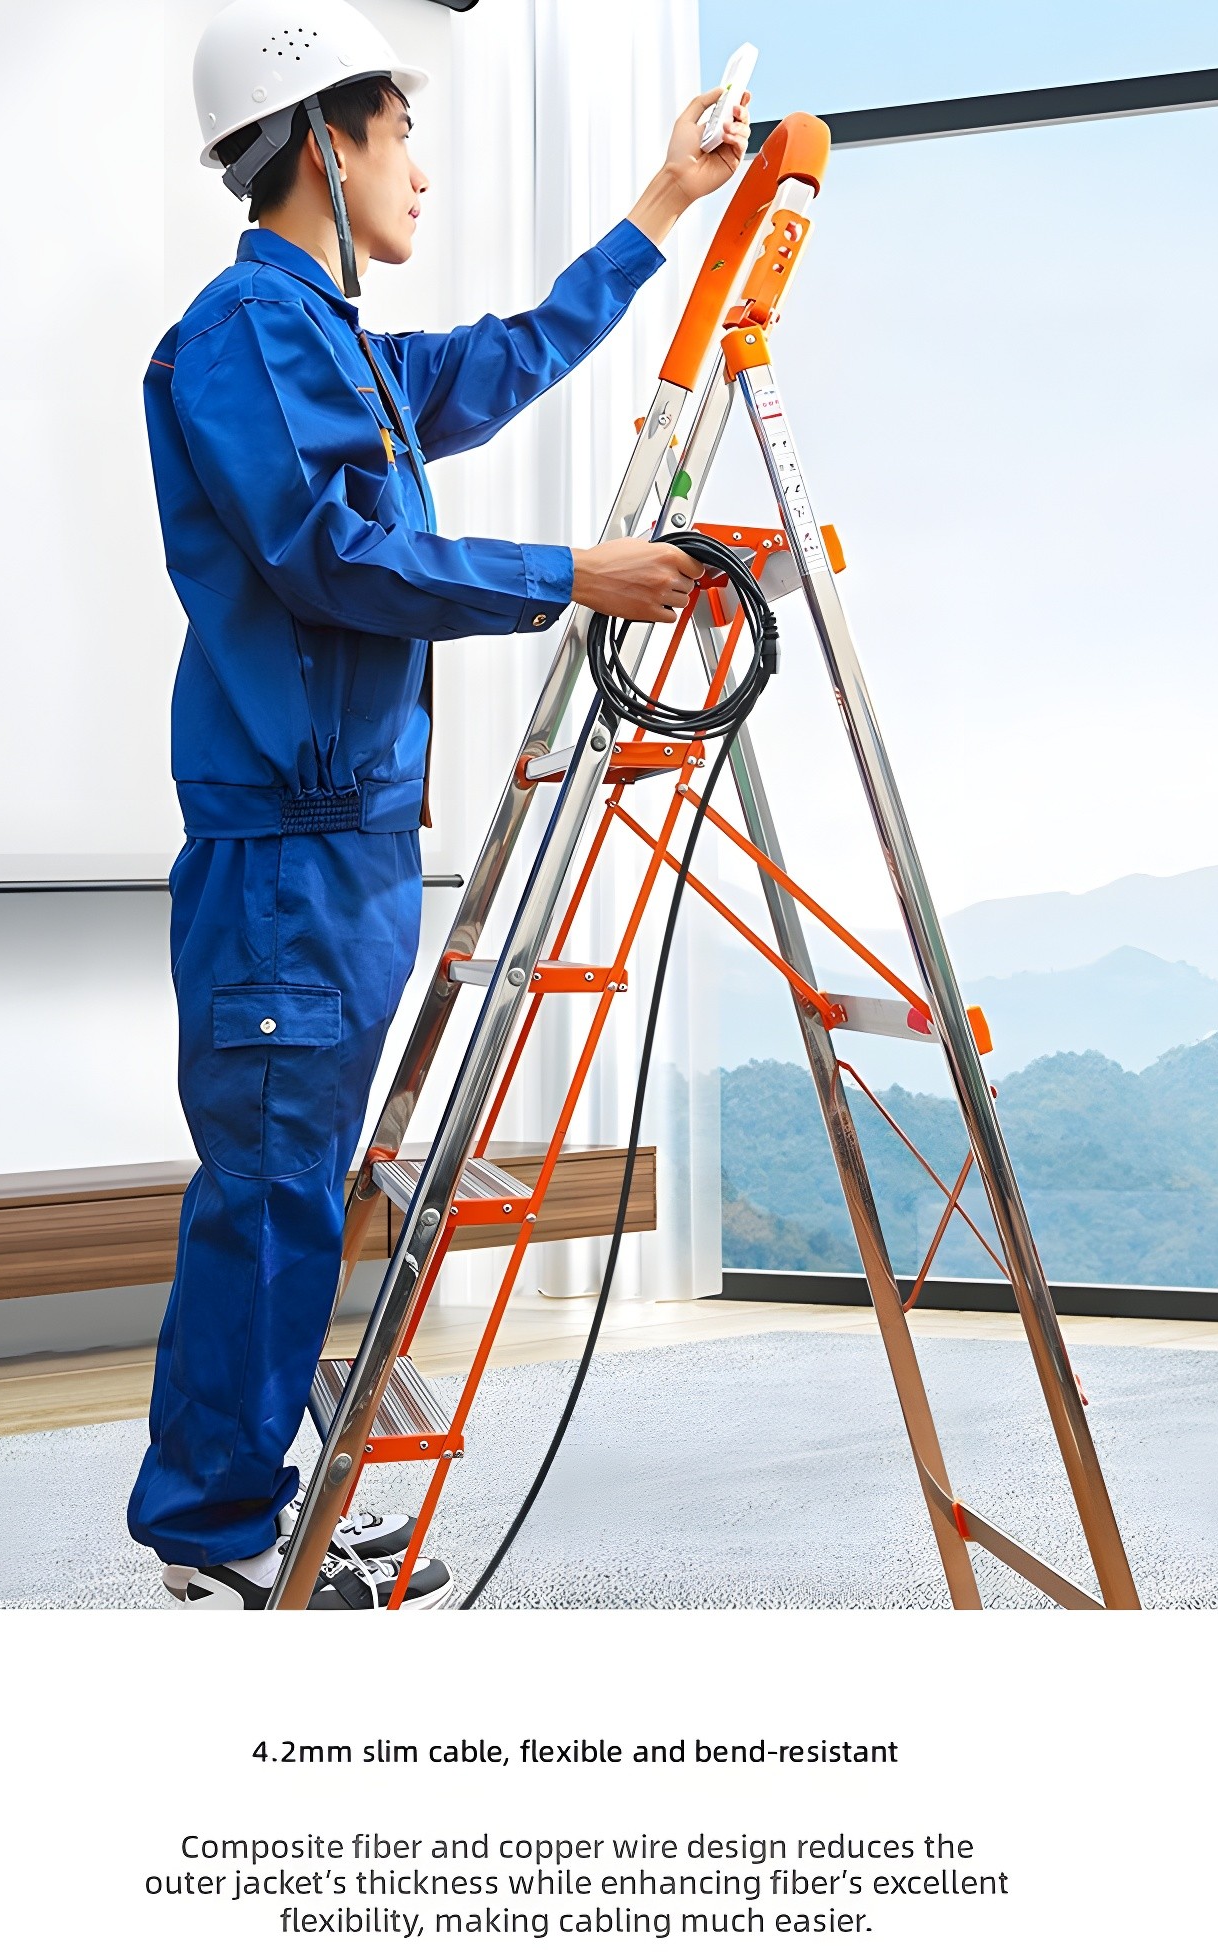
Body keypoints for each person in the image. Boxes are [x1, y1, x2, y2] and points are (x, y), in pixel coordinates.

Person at [129, 0, 750, 1609]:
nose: (423, 167)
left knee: (293, 1188)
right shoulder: (246, 334)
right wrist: (571, 576)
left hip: (343, 843)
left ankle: (253, 1502)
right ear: (324, 141)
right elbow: (329, 556)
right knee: (268, 1200)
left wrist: (664, 206)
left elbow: (503, 360)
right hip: (288, 849)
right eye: (403, 133)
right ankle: (214, 1539)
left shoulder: (329, 344)